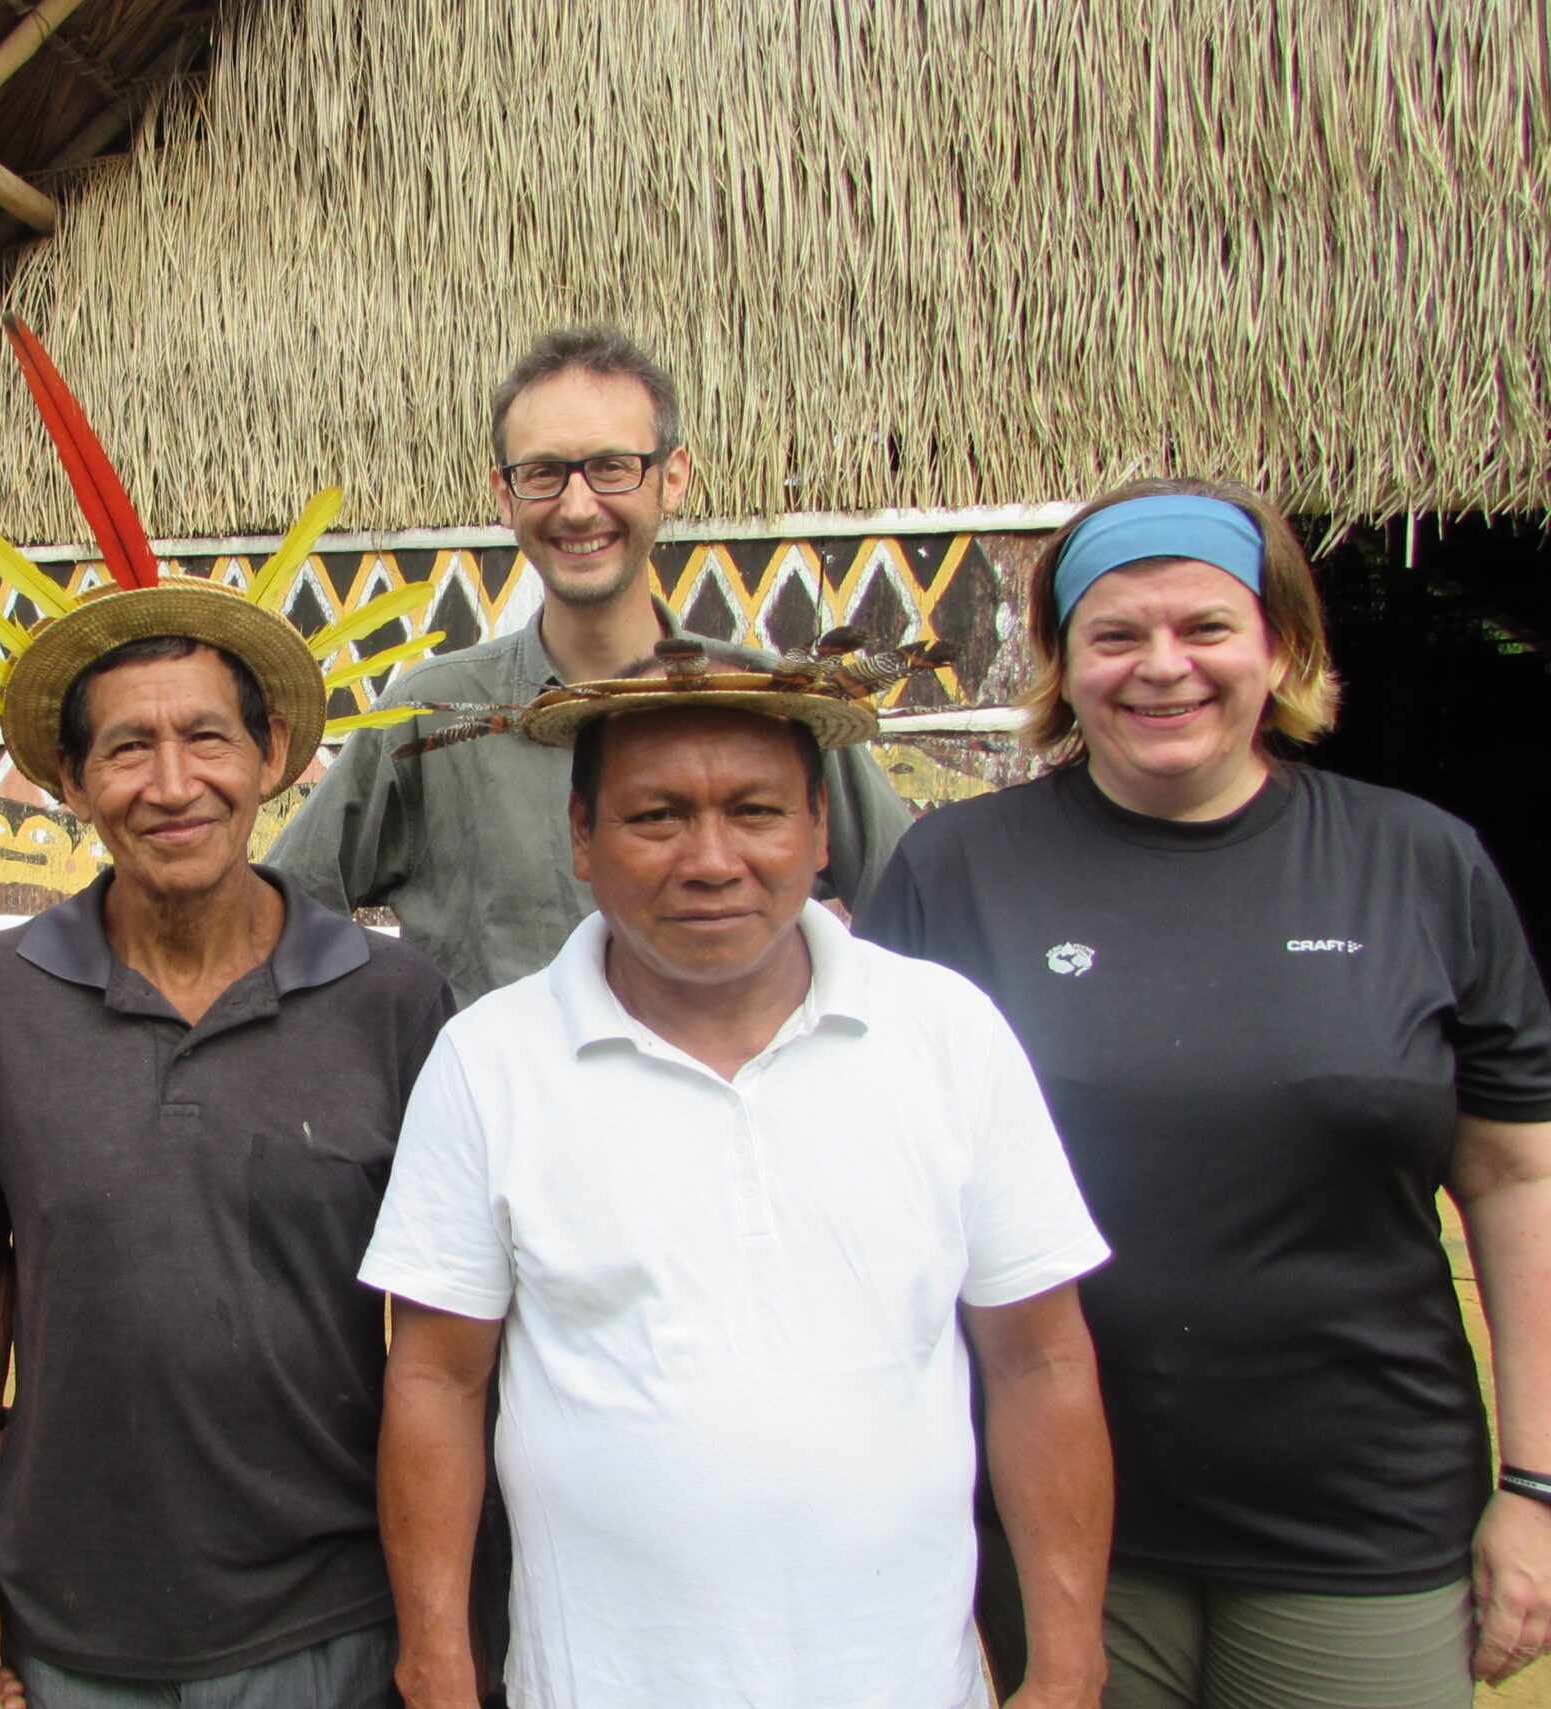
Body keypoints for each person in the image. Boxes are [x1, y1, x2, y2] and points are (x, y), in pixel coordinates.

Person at [857, 479, 1551, 1709]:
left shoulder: (1416, 861)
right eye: (1115, 634)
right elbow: (873, 1192)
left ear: (1278, 645)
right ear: (1062, 662)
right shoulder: (957, 871)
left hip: (1361, 1522)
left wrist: (1538, 1486)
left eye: (1205, 628)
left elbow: (1513, 1174)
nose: (1161, 668)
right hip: (1044, 1527)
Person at [360, 648, 1116, 1708]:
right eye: (655, 817)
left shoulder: (946, 1032)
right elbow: (438, 1379)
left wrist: (1069, 1659)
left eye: (755, 811)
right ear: (580, 838)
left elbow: (1039, 1361)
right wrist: (437, 1658)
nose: (709, 859)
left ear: (817, 828)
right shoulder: (493, 1061)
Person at [0, 321, 456, 1709]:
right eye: (126, 748)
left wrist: (439, 1621)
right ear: (73, 784)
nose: (173, 781)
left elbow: (448, 1330)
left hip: (329, 1620)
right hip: (68, 1624)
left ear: (273, 757)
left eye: (208, 738)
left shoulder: (392, 997)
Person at [269, 325, 911, 1010]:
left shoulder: (772, 703)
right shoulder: (432, 717)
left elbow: (920, 914)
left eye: (612, 466)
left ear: (673, 477)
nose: (578, 507)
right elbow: (271, 922)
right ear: (503, 492)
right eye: (543, 473)